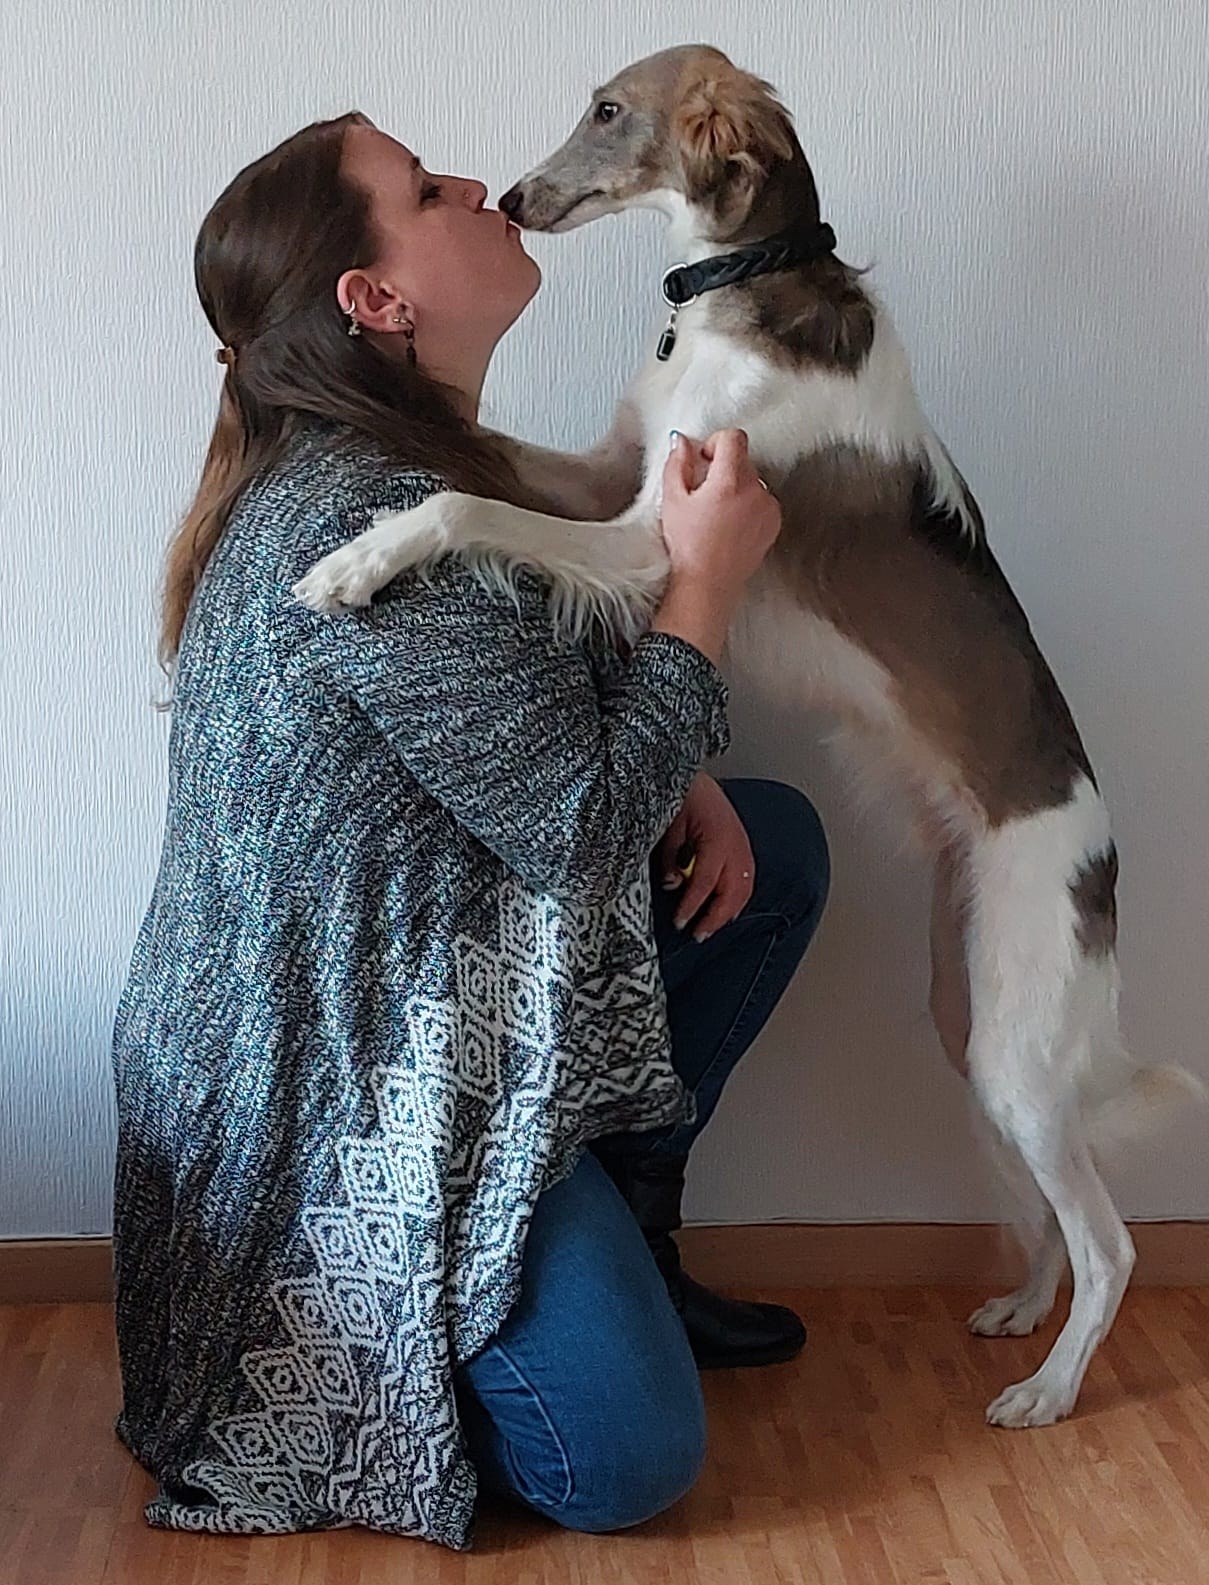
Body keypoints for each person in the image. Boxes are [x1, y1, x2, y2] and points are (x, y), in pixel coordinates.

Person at [111, 111, 829, 1551]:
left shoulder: (413, 471)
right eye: (428, 191)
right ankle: (437, 1335)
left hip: (425, 990)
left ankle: (620, 1231)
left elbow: (527, 711)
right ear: (375, 298)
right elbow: (577, 829)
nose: (477, 188)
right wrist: (706, 592)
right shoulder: (368, 516)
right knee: (624, 1460)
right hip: (337, 1110)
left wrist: (671, 742)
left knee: (766, 846)